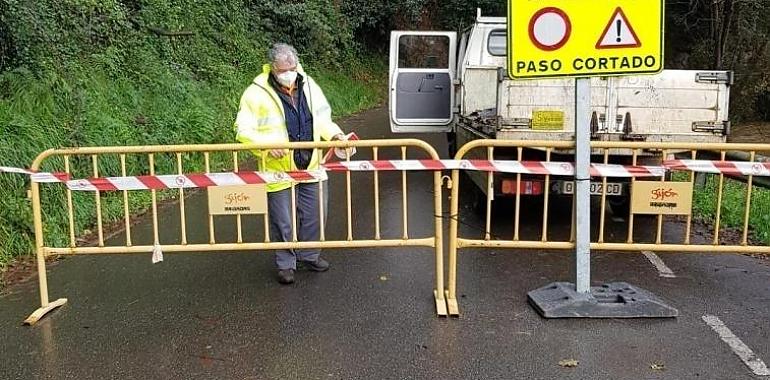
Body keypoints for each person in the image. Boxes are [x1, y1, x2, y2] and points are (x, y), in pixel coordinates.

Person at [234, 43, 345, 285]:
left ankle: (310, 255)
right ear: (272, 68)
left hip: (311, 163)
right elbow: (242, 129)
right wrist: (264, 144)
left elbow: (323, 118)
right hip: (278, 168)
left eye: (292, 68)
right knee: (282, 220)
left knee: (315, 214)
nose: (289, 73)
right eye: (284, 69)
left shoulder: (310, 85)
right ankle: (286, 264)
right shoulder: (255, 92)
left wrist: (336, 135)